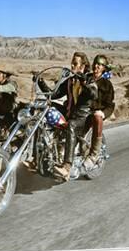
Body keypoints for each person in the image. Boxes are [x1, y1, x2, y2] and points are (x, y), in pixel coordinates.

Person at [36, 52, 98, 181]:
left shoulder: (90, 79)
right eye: (72, 63)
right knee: (43, 108)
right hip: (69, 112)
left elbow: (93, 94)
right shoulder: (70, 80)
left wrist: (83, 81)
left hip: (83, 117)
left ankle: (67, 167)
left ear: (83, 66)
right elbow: (54, 94)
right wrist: (40, 81)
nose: (72, 65)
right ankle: (36, 157)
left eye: (75, 63)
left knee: (71, 125)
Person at [83, 54, 115, 169]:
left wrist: (103, 113)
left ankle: (94, 155)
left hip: (94, 114)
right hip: (83, 111)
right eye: (96, 63)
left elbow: (110, 105)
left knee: (97, 117)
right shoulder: (86, 78)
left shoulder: (107, 85)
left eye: (100, 65)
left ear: (104, 68)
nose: (97, 66)